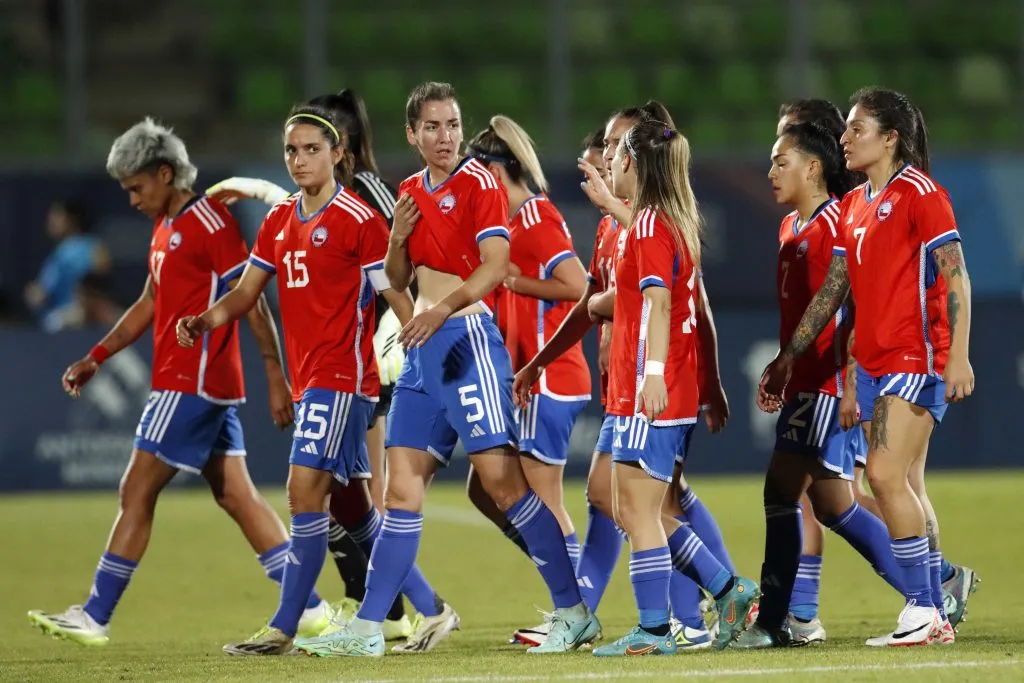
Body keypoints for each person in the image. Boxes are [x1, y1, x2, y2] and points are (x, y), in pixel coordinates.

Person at [296, 81, 599, 657]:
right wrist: (401, 242)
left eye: (453, 125)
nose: (445, 137)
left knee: (505, 486)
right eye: (432, 127)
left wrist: (440, 312)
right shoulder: (409, 190)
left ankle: (573, 611)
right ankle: (368, 628)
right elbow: (395, 274)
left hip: (467, 341)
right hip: (424, 350)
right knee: (401, 489)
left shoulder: (480, 183)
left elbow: (495, 268)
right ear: (411, 134)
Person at [27, 117, 331, 646]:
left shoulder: (209, 223)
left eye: (137, 188)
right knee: (236, 495)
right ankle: (307, 607)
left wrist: (275, 374)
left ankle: (96, 613)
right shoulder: (167, 227)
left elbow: (251, 296)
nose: (132, 200)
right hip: (198, 382)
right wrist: (97, 355)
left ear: (166, 174)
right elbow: (149, 301)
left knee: (135, 488)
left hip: (190, 380)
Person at [179, 105, 458, 656]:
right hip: (312, 381)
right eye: (291, 150)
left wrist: (421, 342)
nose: (300, 159)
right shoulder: (280, 218)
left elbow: (392, 292)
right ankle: (433, 609)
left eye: (311, 149)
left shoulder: (357, 218)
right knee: (353, 508)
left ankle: (286, 625)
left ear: (338, 155)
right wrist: (206, 319)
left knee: (302, 492)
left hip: (343, 379)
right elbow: (246, 291)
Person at [761, 88, 974, 646]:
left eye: (857, 129)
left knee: (881, 476)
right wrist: (790, 359)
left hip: (918, 356)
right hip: (877, 364)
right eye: (846, 130)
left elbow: (955, 276)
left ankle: (926, 608)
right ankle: (935, 603)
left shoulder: (922, 195)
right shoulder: (856, 206)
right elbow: (837, 292)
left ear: (891, 138)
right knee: (891, 480)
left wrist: (958, 356)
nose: (845, 138)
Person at [580, 119, 757, 657]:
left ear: (633, 162)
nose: (609, 161)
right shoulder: (661, 220)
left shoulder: (653, 226)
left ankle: (656, 629)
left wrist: (652, 374)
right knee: (633, 505)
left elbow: (658, 303)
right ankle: (728, 590)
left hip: (648, 389)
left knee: (639, 511)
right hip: (645, 389)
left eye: (617, 155)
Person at [731, 119, 909, 649]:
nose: (770, 172)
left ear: (813, 167)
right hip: (805, 378)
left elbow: (841, 300)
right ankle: (932, 588)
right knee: (832, 505)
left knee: (782, 491)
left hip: (826, 382)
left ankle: (773, 623)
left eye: (780, 161)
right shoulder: (790, 228)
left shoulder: (838, 220)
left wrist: (833, 376)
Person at [461, 114, 590, 627]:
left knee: (543, 498)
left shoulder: (536, 217)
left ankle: (575, 607)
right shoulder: (502, 223)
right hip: (521, 378)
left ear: (497, 169)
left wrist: (518, 285)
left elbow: (579, 285)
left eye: (477, 170)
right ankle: (566, 586)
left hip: (550, 375)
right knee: (482, 488)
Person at [24, 199, 110, 332]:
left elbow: (102, 283)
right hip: (57, 318)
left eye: (57, 216)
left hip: (83, 316)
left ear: (71, 219)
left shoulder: (94, 247)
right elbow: (40, 294)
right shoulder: (57, 254)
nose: (51, 222)